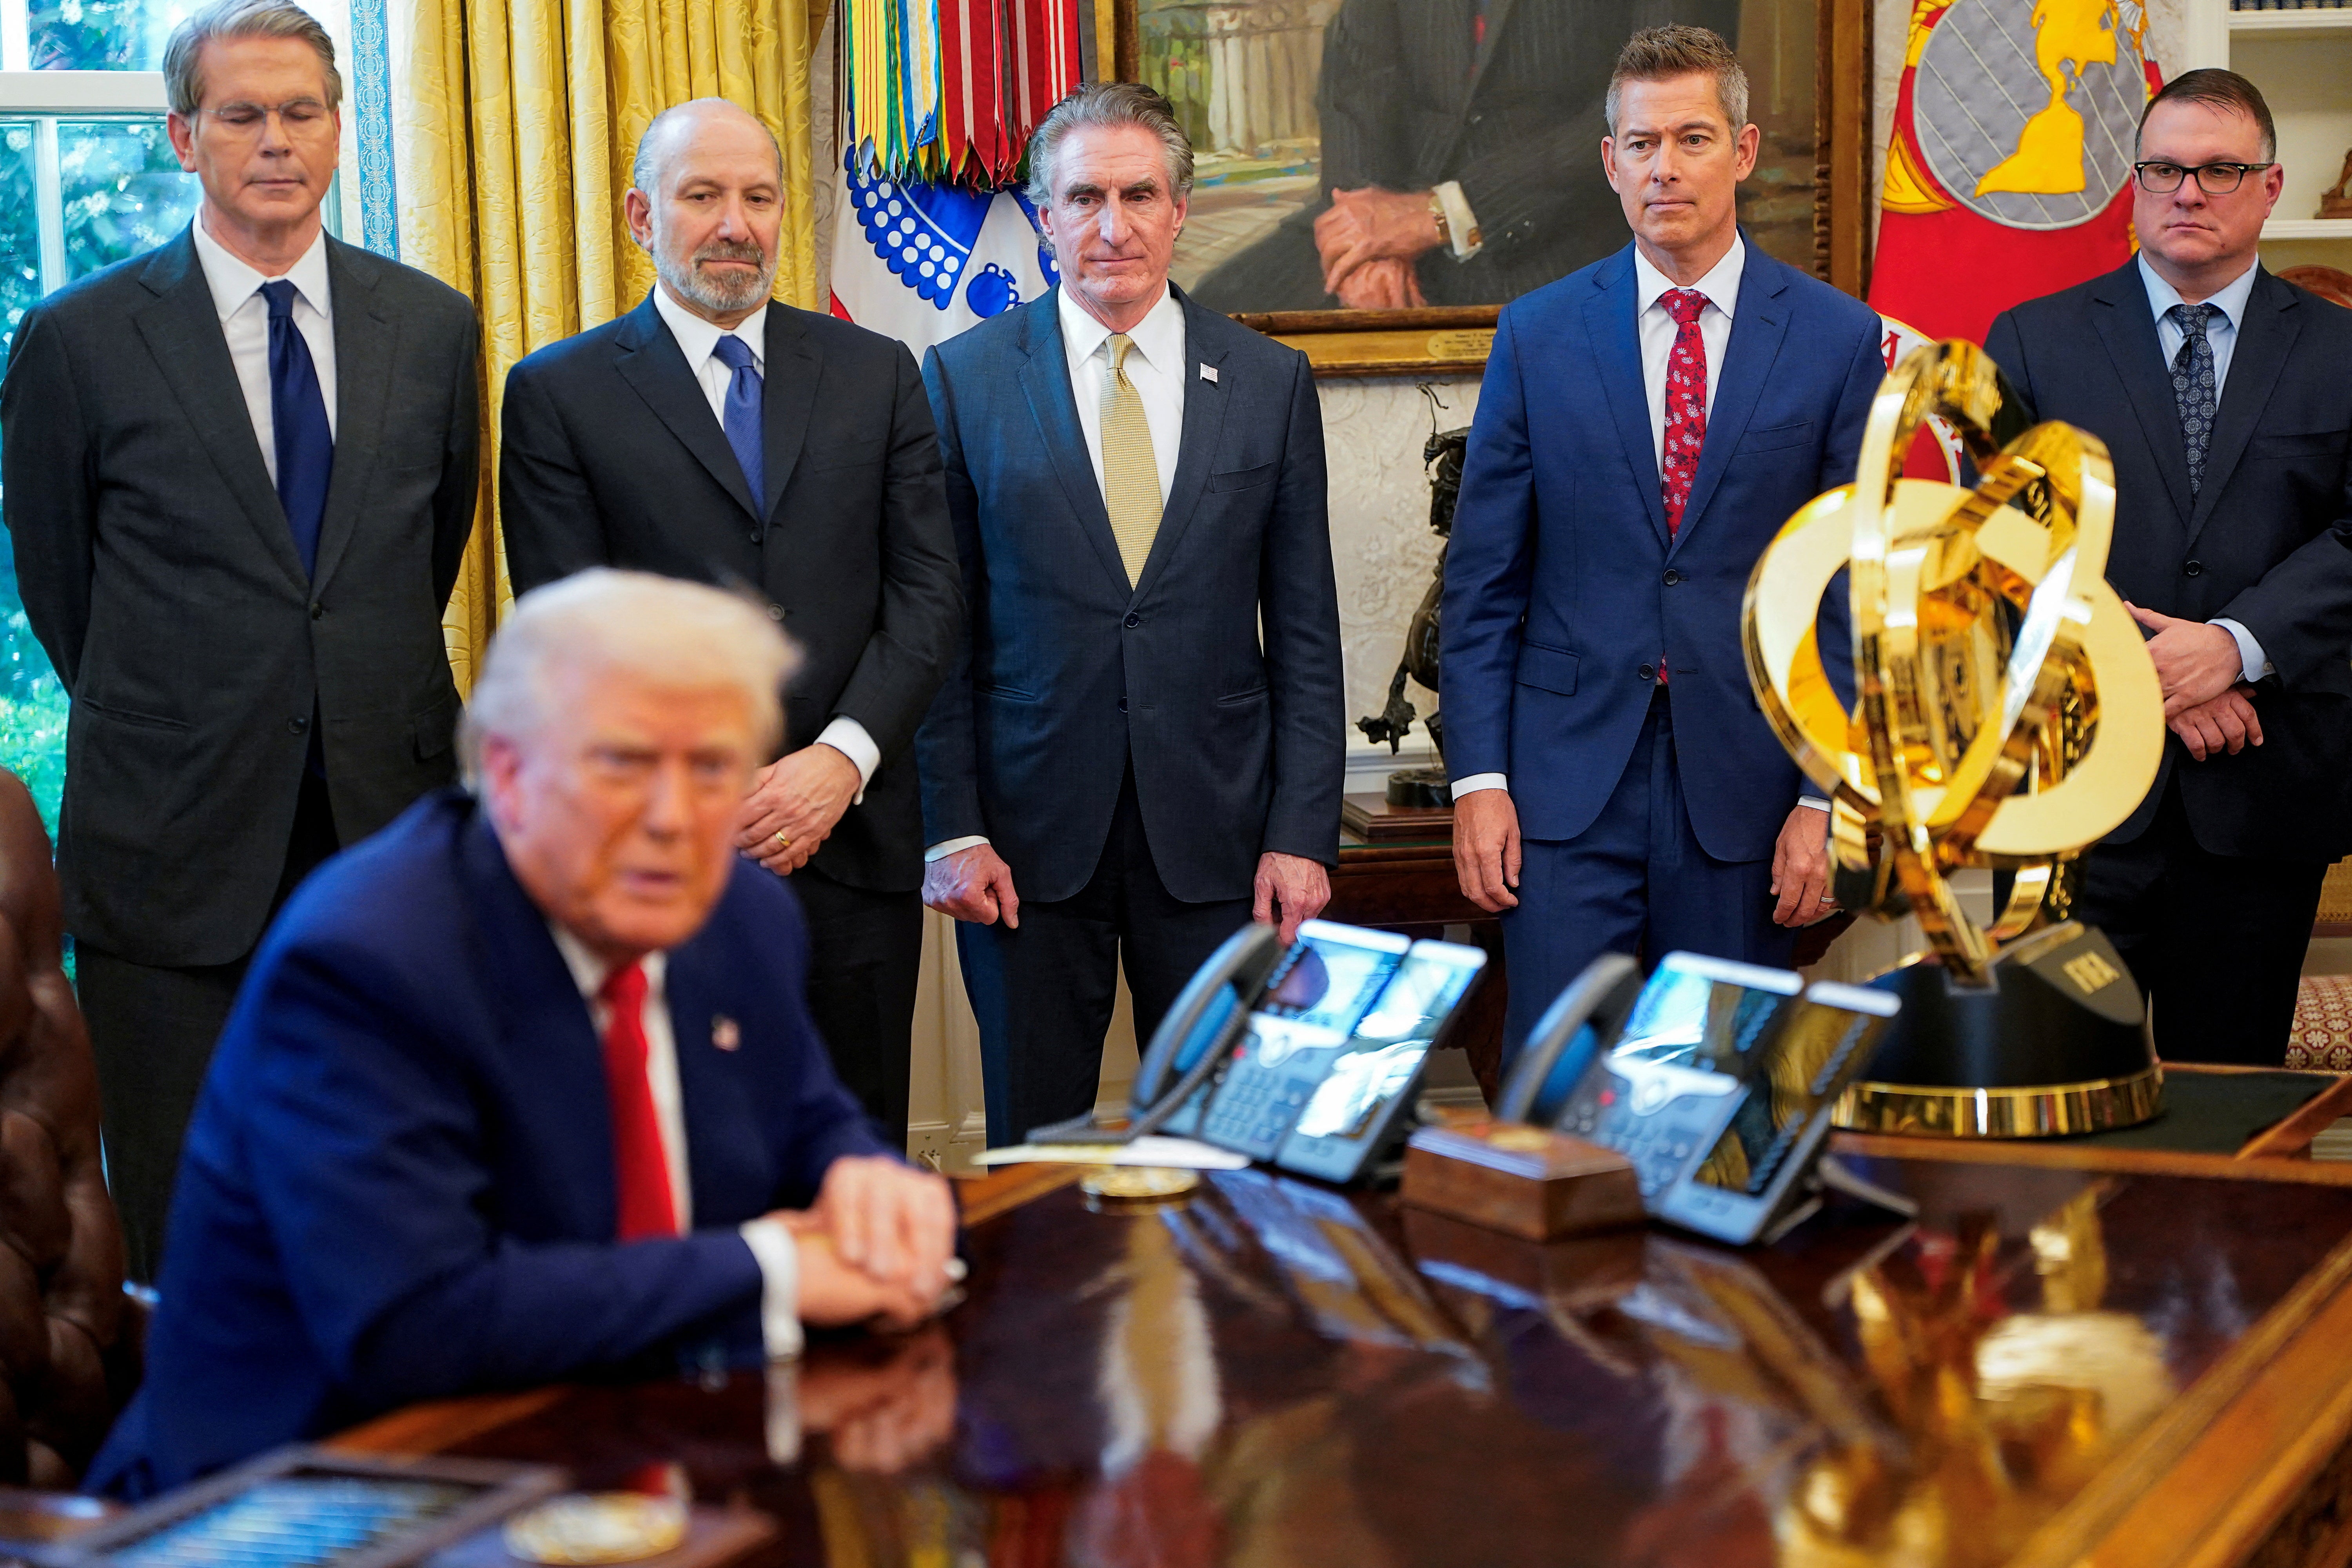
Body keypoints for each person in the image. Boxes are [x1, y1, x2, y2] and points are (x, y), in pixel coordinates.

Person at [87, 570, 961, 1495]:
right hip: (305, 1496)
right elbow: (415, 1324)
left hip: (615, 1452)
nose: (673, 819)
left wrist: (865, 1178)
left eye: (712, 769)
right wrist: (773, 1271)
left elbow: (809, 1118)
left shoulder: (741, 914)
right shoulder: (369, 960)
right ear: (506, 775)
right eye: (623, 765)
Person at [0, 0, 479, 1282]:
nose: (277, 140)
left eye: (302, 111)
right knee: (185, 1227)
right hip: (173, 844)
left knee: (398, 1204)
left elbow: (422, 558)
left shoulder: (432, 327)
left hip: (386, 835)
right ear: (183, 137)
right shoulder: (78, 340)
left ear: (337, 128)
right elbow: (63, 591)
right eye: (242, 115)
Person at [502, 100, 962, 1148]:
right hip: (664, 854)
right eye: (702, 195)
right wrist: (718, 794)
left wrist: (838, 762)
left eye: (758, 198)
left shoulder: (877, 373)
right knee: (685, 1164)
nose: (734, 224)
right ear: (641, 216)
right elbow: (575, 641)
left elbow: (929, 594)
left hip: (853, 839)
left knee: (856, 1159)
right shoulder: (558, 394)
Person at [1441, 26, 1885, 1070]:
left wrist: (1824, 797)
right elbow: (1483, 584)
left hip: (1748, 792)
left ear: (1744, 150)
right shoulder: (1539, 333)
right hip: (1561, 794)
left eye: (1692, 139)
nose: (1664, 167)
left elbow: (1849, 593)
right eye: (1641, 144)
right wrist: (1479, 782)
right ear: (1610, 162)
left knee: (1722, 1098)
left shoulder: (1835, 339)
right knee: (1557, 1096)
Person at [916, 83, 1345, 1147]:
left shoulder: (1269, 382)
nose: (1113, 227)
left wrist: (1302, 835)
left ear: (1180, 209)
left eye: (1139, 196)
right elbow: (939, 632)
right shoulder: (963, 380)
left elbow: (1305, 636)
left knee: (1219, 1151)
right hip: (1024, 850)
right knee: (1035, 1160)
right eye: (1085, 198)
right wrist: (954, 828)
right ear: (1044, 214)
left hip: (1219, 842)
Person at [1984, 70, 2352, 1063]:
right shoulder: (2032, 340)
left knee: (2227, 1118)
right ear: (2136, 183)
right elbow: (2010, 547)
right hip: (2074, 797)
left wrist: (2235, 647)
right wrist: (2161, 676)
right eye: (2164, 169)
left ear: (2270, 187)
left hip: (2259, 798)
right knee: (2057, 1105)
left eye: (2219, 170)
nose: (2188, 192)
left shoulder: (2340, 349)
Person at [1189, 0, 1736, 313]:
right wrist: (1363, 239)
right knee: (1214, 315)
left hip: (1553, 221)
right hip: (1392, 202)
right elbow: (1356, 80)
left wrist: (1450, 212)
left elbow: (1667, 100)